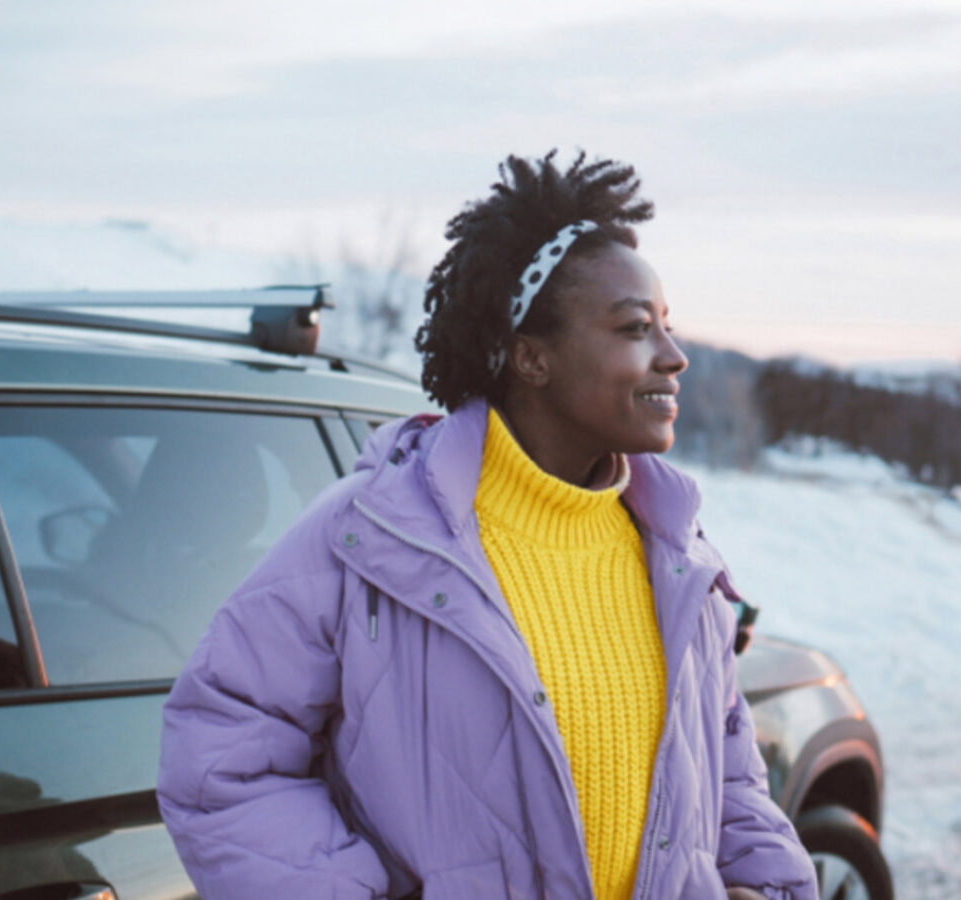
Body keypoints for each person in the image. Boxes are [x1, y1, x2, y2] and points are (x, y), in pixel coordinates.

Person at [157, 151, 819, 900]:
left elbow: (729, 775)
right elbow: (220, 758)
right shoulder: (369, 535)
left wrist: (762, 889)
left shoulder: (677, 555)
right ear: (532, 357)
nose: (675, 357)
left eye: (667, 327)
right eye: (637, 329)